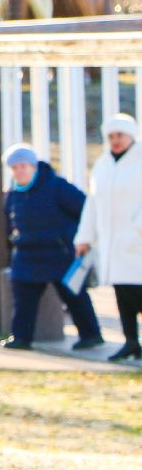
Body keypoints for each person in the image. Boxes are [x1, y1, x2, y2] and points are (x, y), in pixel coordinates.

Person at [0, 143, 103, 351]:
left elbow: (85, 209)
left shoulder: (57, 186)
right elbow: (9, 224)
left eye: (23, 166)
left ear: (33, 166)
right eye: (15, 167)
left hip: (60, 252)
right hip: (27, 253)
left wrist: (78, 238)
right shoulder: (13, 194)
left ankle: (91, 335)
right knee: (23, 298)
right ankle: (21, 337)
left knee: (74, 295)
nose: (19, 171)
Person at [75, 113, 142, 361]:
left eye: (120, 135)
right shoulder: (102, 164)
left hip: (137, 241)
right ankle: (131, 342)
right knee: (123, 295)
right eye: (111, 136)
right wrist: (84, 237)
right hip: (114, 244)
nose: (115, 140)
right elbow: (92, 204)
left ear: (131, 136)